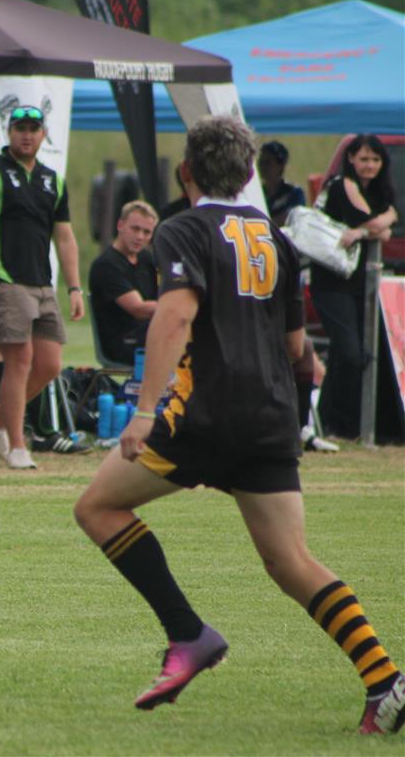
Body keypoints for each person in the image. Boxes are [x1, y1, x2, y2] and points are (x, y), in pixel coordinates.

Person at [73, 115, 404, 733]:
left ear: (186, 172)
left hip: (206, 414)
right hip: (271, 416)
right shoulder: (275, 237)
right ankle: (383, 677)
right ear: (250, 172)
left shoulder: (183, 229)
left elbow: (174, 318)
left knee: (97, 508)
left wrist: (143, 413)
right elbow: (298, 347)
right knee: (290, 561)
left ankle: (187, 634)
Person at [0, 105, 86, 469]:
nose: (27, 135)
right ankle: (17, 445)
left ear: (43, 134)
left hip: (42, 283)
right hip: (1, 279)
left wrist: (74, 288)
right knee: (20, 360)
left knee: (50, 365)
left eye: (33, 128)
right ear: (9, 132)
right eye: (20, 128)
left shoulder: (52, 180)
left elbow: (65, 238)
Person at [310, 134, 398, 440]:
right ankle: (343, 423)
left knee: (346, 354)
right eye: (363, 159)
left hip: (361, 284)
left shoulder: (378, 191)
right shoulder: (342, 185)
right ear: (350, 159)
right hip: (332, 283)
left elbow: (384, 227)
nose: (369, 165)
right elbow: (376, 224)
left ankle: (331, 424)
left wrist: (361, 232)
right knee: (351, 353)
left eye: (375, 160)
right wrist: (380, 222)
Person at [88, 200, 159, 366]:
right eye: (135, 229)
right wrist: (179, 308)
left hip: (147, 333)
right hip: (123, 343)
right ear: (120, 225)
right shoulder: (106, 265)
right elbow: (138, 309)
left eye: (147, 232)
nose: (140, 237)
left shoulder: (146, 259)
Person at [257, 141, 305, 227]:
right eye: (261, 161)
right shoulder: (258, 193)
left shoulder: (294, 193)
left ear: (280, 166)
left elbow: (292, 218)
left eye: (267, 162)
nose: (263, 166)